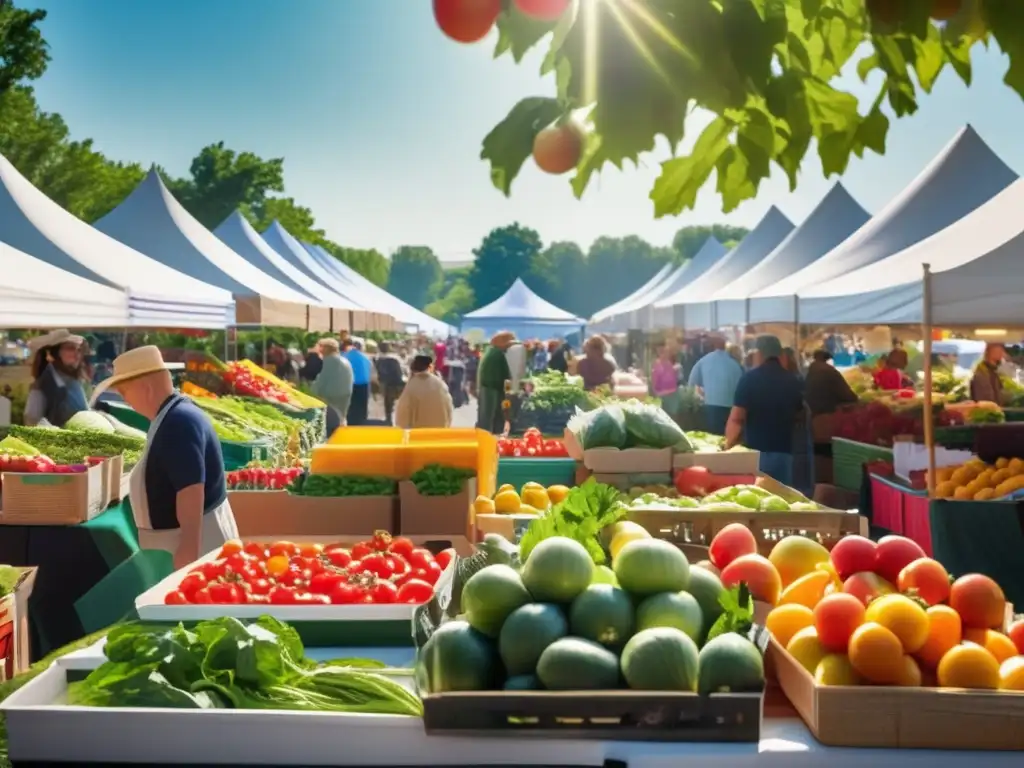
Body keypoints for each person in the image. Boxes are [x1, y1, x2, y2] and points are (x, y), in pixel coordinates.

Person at [89, 346, 238, 568]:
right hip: (186, 544)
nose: (123, 398)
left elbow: (191, 489)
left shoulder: (178, 422)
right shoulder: (175, 415)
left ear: (146, 388)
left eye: (124, 391)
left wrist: (188, 549)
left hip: (195, 549)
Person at [725, 335, 805, 486]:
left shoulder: (749, 379)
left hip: (756, 454)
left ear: (759, 354)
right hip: (784, 452)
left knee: (759, 500)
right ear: (780, 355)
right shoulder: (793, 380)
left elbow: (737, 418)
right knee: (782, 499)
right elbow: (799, 414)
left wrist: (727, 445)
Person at [24, 330, 90, 427]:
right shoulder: (43, 384)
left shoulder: (75, 382)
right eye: (70, 348)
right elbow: (32, 419)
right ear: (56, 352)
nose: (77, 355)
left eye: (78, 350)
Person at [687, 337, 743, 436]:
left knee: (714, 437)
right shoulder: (734, 364)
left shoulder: (703, 361)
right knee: (728, 436)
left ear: (711, 346)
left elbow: (692, 383)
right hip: (731, 407)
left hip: (711, 405)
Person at [394, 354, 454, 429]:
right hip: (439, 432)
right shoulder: (440, 384)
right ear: (430, 367)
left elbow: (402, 416)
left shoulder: (411, 386)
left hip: (419, 434)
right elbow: (449, 408)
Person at [312, 338, 354, 436]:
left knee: (332, 422)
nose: (319, 351)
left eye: (321, 347)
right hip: (345, 393)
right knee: (341, 418)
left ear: (326, 348)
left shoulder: (330, 360)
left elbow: (322, 380)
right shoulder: (343, 360)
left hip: (332, 396)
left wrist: (311, 392)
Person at [477, 331, 516, 434]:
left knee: (485, 417)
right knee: (490, 417)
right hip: (493, 390)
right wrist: (508, 392)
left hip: (486, 388)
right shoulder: (498, 355)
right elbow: (506, 377)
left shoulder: (490, 352)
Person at [805, 349, 858, 417]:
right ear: (827, 360)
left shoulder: (811, 371)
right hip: (828, 412)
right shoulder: (828, 371)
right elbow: (847, 394)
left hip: (814, 411)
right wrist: (857, 400)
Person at [375, 341, 406, 424]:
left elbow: (377, 372)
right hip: (398, 383)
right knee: (397, 402)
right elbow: (403, 370)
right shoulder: (396, 358)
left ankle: (388, 419)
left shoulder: (379, 359)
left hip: (385, 384)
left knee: (387, 402)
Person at [343, 339, 372, 425]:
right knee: (362, 406)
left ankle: (350, 421)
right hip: (363, 384)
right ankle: (361, 422)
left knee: (350, 405)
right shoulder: (365, 357)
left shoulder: (345, 356)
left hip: (349, 383)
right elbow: (369, 371)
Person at [651, 343, 681, 418]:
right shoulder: (657, 365)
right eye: (662, 352)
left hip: (672, 395)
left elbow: (675, 379)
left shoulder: (669, 364)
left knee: (673, 417)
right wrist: (657, 394)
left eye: (665, 351)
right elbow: (655, 383)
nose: (665, 354)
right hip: (663, 396)